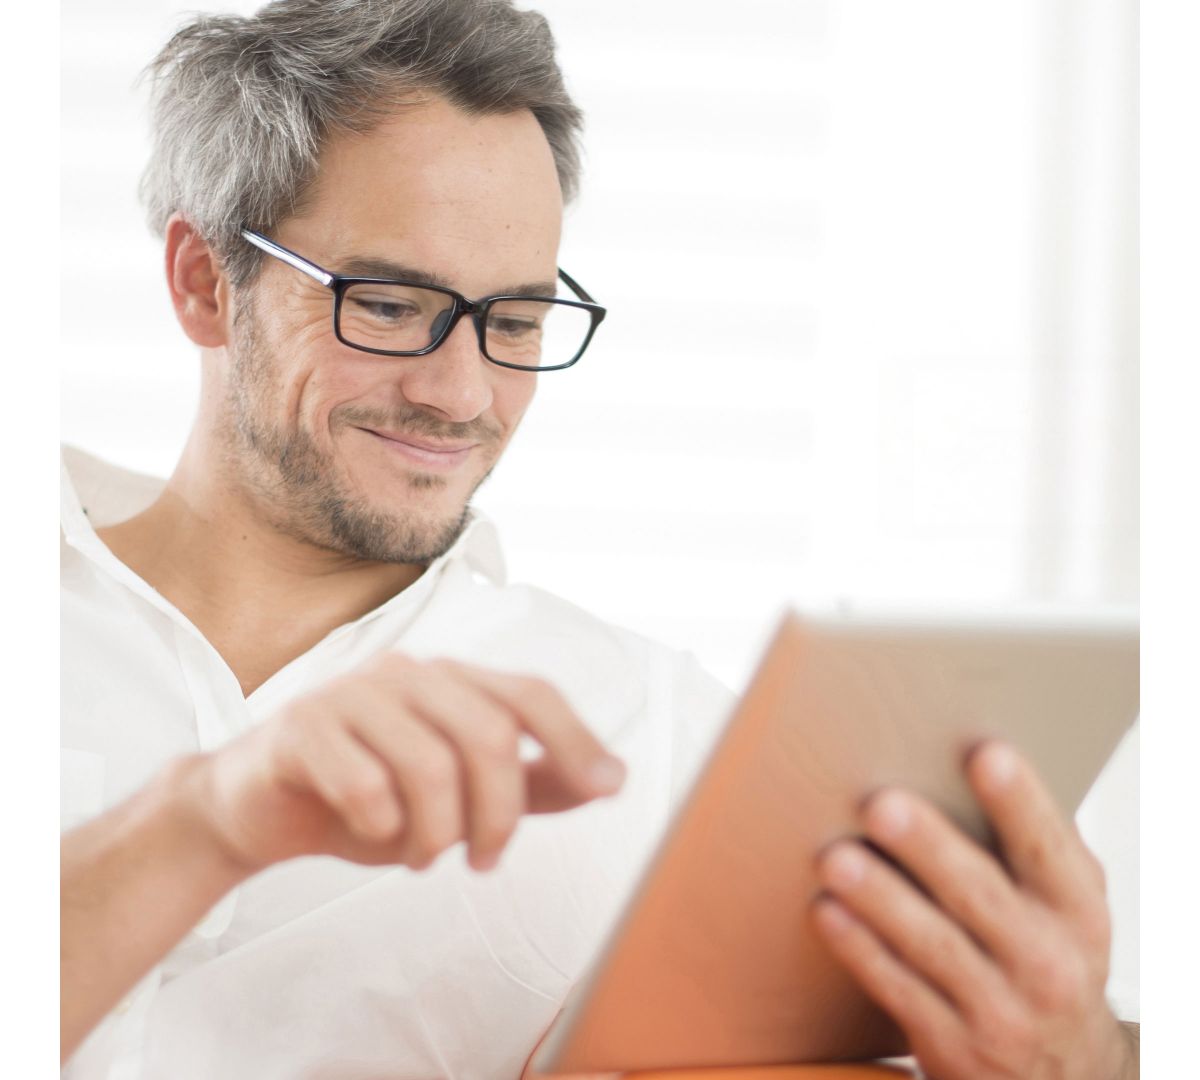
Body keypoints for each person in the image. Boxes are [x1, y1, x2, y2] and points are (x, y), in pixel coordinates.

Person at [60, 1, 1139, 1077]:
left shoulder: (657, 741)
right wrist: (201, 823)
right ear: (205, 282)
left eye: (517, 323)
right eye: (390, 306)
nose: (462, 392)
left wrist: (1082, 1056)